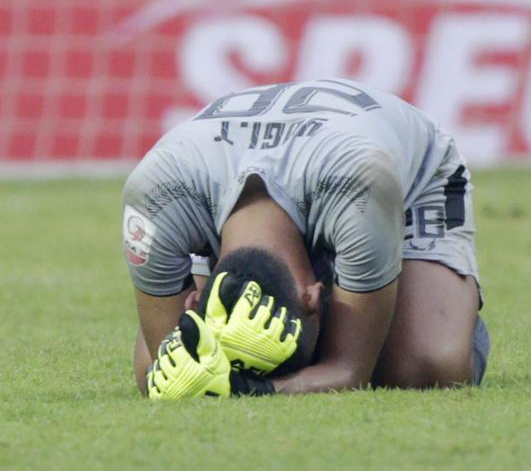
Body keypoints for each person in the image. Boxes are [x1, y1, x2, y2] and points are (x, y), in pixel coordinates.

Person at [123, 77, 489, 398]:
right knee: (148, 370)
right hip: (269, 172)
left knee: (422, 368)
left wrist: (253, 390)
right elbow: (165, 368)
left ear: (315, 296)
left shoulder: (360, 185)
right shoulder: (156, 197)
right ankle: (367, 301)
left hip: (406, 177)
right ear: (193, 301)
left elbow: (349, 370)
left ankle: (429, 303)